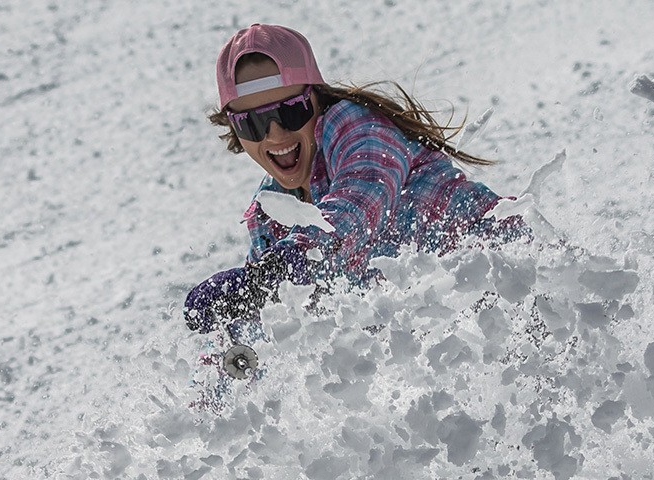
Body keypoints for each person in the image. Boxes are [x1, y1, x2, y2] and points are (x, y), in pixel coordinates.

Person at [184, 23, 526, 335]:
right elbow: (275, 329)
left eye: (290, 111)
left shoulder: (356, 128)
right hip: (459, 334)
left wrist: (277, 270)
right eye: (252, 123)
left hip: (519, 280)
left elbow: (362, 194)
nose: (275, 134)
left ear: (316, 98)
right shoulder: (271, 217)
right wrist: (227, 349)